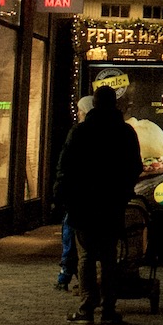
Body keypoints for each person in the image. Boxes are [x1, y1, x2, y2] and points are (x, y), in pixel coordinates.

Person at [53, 85, 142, 325]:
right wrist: (123, 192)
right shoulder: (125, 133)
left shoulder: (80, 132)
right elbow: (135, 167)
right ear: (115, 104)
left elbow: (65, 167)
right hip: (112, 203)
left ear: (94, 103)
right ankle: (108, 309)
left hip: (83, 203)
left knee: (86, 257)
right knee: (109, 257)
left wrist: (62, 196)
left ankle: (86, 307)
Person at [55, 95, 95, 293]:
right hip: (106, 199)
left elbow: (66, 163)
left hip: (80, 197)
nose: (77, 114)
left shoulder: (79, 132)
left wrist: (61, 190)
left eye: (80, 110)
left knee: (72, 235)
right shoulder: (121, 130)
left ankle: (70, 276)